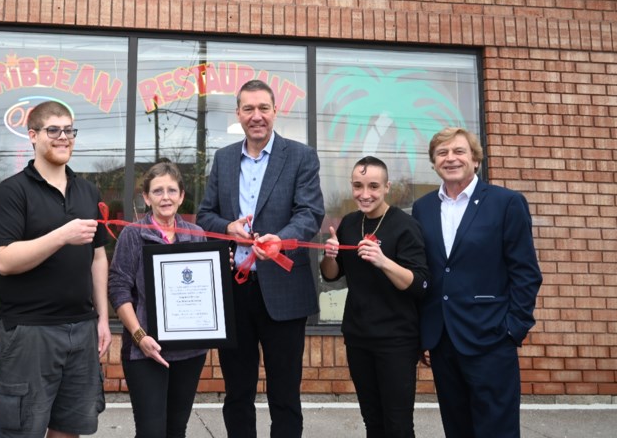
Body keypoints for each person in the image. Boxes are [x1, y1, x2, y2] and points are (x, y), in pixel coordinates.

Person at [197, 79, 325, 438]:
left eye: (263, 108)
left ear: (274, 111)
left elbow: (311, 214)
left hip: (283, 288)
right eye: (248, 109)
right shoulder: (223, 159)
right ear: (238, 114)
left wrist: (280, 239)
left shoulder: (301, 155)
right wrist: (228, 226)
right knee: (237, 391)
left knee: (284, 393)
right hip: (235, 289)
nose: (256, 116)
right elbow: (205, 216)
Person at [0, 100, 111, 438]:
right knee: (22, 431)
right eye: (53, 130)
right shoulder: (12, 191)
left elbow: (98, 256)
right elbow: (3, 261)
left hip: (81, 330)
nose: (63, 137)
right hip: (29, 332)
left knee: (70, 429)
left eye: (69, 130)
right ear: (32, 136)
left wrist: (101, 317)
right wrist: (61, 235)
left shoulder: (87, 190)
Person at [412, 127, 542, 438]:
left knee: (497, 430)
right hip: (443, 341)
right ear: (434, 162)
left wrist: (514, 328)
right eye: (442, 153)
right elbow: (428, 272)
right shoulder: (423, 208)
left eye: (458, 151)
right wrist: (425, 334)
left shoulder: (506, 203)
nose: (451, 158)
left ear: (475, 160)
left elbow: (526, 273)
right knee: (457, 429)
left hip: (492, 338)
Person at [320, 156, 429, 438]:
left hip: (396, 339)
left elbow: (419, 283)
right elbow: (332, 276)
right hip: (358, 336)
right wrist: (329, 256)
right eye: (358, 186)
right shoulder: (349, 222)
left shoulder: (405, 225)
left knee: (398, 424)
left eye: (373, 186)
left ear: (387, 187)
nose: (364, 194)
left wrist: (384, 261)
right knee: (372, 420)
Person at [108, 162, 208, 438]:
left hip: (190, 351)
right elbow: (118, 289)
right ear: (146, 197)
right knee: (151, 431)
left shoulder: (196, 235)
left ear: (182, 196)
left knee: (176, 430)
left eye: (172, 190)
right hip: (144, 349)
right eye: (158, 190)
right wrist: (140, 336)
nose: (165, 197)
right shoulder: (132, 235)